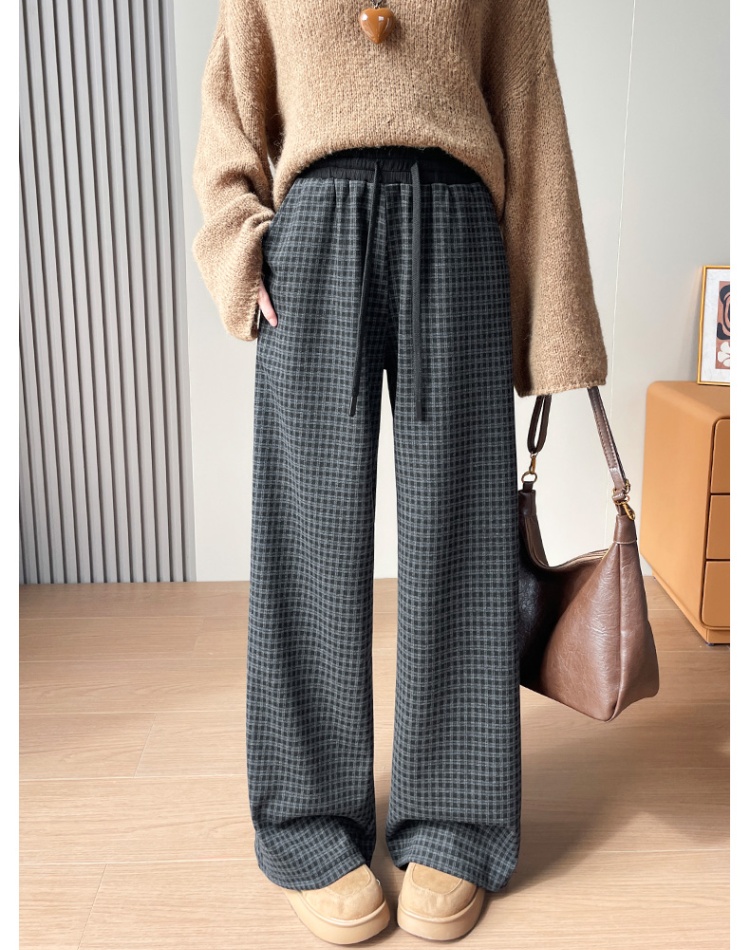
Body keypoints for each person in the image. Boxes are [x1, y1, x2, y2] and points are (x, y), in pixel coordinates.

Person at [192, 0, 608, 943]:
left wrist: (555, 324)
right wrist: (239, 242)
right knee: (308, 540)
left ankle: (456, 816)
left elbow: (529, 104)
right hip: (313, 242)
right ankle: (309, 818)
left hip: (457, 231)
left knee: (460, 536)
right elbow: (230, 100)